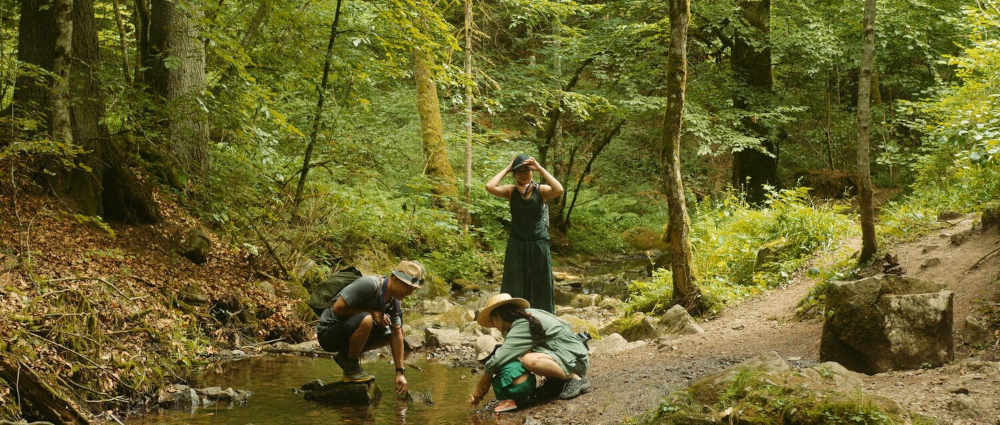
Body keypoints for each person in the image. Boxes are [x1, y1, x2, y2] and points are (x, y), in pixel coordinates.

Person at [316, 260, 424, 395]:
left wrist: (400, 373)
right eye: (407, 287)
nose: (410, 293)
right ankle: (350, 364)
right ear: (395, 278)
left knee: (389, 333)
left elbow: (397, 334)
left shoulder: (394, 302)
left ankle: (346, 357)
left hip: (347, 332)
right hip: (328, 332)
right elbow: (337, 308)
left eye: (413, 289)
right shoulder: (369, 284)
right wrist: (371, 313)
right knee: (367, 319)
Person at [468, 293, 590, 412]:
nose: (494, 326)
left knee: (527, 360)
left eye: (492, 321)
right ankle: (557, 381)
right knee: (520, 354)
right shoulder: (525, 317)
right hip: (569, 356)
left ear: (498, 316)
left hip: (575, 362)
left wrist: (481, 386)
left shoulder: (522, 323)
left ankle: (575, 379)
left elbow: (499, 358)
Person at [485, 154, 564, 313]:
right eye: (519, 171)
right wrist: (508, 168)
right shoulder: (511, 191)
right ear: (514, 174)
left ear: (531, 172)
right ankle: (514, 314)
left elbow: (559, 189)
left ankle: (542, 315)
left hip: (538, 242)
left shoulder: (540, 190)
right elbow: (490, 186)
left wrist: (540, 168)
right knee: (514, 280)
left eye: (526, 170)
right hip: (517, 243)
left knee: (540, 280)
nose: (523, 174)